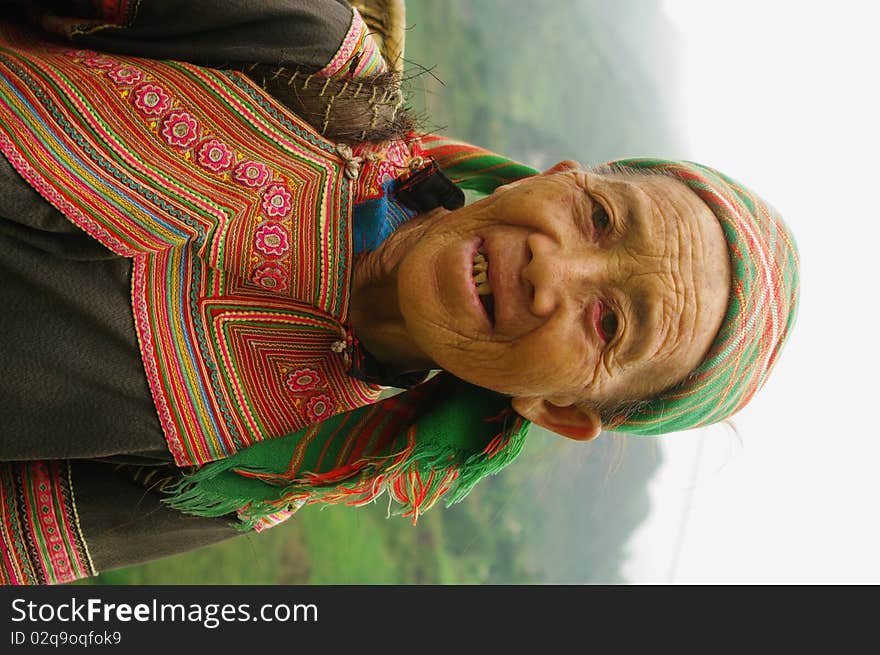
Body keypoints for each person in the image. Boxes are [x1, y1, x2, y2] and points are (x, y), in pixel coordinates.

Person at [0, 0, 799, 585]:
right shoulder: (313, 64)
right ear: (561, 175)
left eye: (610, 321)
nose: (551, 271)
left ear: (559, 408)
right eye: (596, 216)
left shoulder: (258, 469)